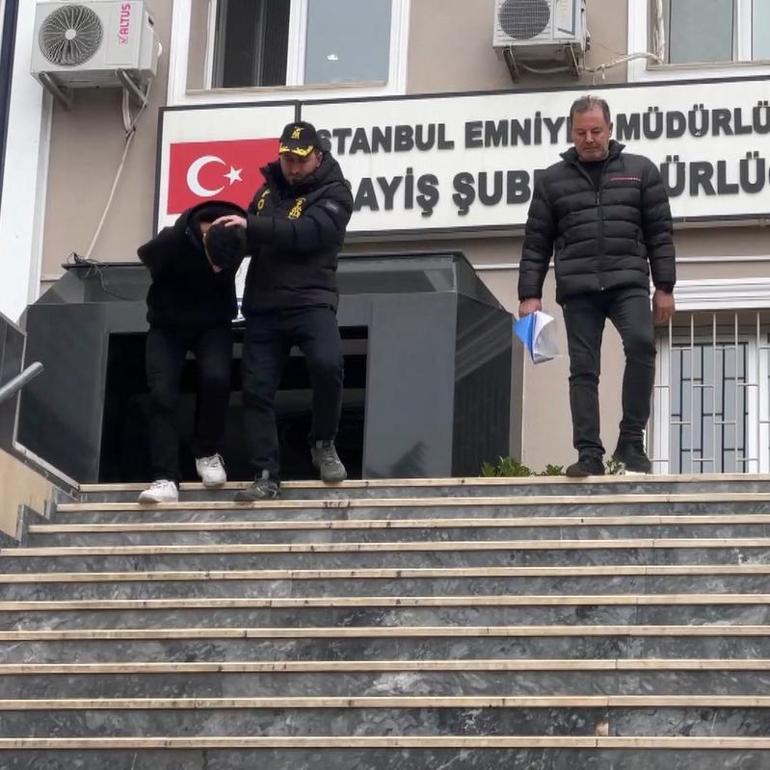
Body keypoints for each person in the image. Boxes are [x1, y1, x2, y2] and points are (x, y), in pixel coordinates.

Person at [518, 95, 676, 478]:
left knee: (641, 345)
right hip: (579, 289)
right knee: (584, 370)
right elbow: (536, 242)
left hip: (628, 282)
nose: (588, 139)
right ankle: (589, 453)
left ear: (610, 129)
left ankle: (631, 443)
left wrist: (665, 286)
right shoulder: (551, 181)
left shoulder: (640, 171)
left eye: (596, 131)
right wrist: (529, 295)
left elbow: (659, 233)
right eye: (580, 132)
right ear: (571, 133)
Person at [213, 120, 354, 500]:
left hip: (312, 300)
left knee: (327, 365)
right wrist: (219, 239)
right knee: (256, 390)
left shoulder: (336, 193)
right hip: (264, 307)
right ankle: (265, 474)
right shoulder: (265, 194)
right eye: (287, 159)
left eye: (300, 160)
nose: (292, 167)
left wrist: (251, 226)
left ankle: (323, 442)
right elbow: (247, 238)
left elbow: (306, 234)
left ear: (318, 157)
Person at [136, 200, 247, 503]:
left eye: (223, 267)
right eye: (214, 262)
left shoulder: (238, 233)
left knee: (217, 378)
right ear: (205, 237)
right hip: (167, 325)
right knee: (162, 393)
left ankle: (207, 452)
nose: (217, 269)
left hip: (213, 323)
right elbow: (145, 255)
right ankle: (165, 478)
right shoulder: (171, 242)